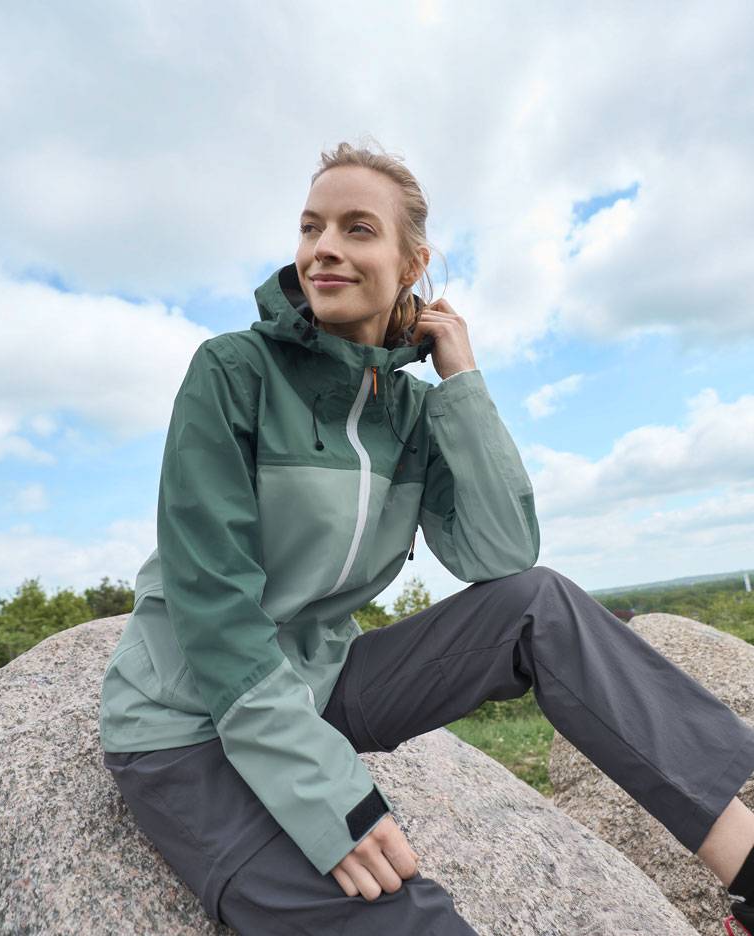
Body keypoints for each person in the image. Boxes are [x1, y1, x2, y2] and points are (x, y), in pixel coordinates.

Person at [99, 140, 754, 935]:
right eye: (311, 229)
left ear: (413, 262)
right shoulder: (234, 372)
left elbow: (501, 555)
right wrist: (325, 793)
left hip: (326, 682)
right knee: (405, 920)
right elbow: (215, 611)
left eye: (356, 229)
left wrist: (463, 385)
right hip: (191, 721)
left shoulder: (408, 413)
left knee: (536, 604)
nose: (324, 249)